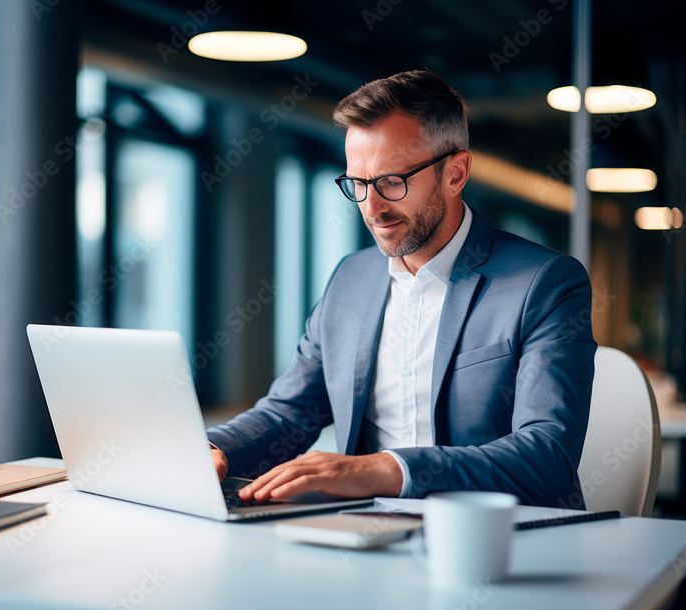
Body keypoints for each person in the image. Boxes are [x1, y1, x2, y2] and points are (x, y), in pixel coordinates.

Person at [207, 69, 596, 508]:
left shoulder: (544, 283)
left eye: (392, 181)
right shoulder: (349, 281)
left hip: (501, 545)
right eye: (358, 183)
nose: (372, 208)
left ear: (455, 172)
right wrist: (211, 449)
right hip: (368, 540)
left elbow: (548, 455)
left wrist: (384, 469)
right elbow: (290, 411)